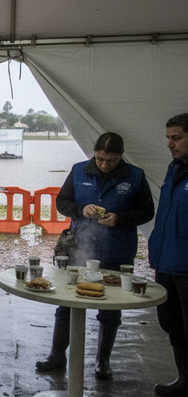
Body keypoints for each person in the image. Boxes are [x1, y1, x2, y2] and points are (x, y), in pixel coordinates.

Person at [37, 132, 154, 379]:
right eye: (100, 159)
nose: (104, 164)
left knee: (111, 308)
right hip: (79, 248)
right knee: (67, 303)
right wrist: (81, 209)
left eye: (110, 160)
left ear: (120, 157)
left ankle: (103, 361)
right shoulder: (79, 171)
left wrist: (120, 219)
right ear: (94, 153)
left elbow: (146, 212)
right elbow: (62, 202)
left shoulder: (135, 176)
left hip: (116, 252)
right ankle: (57, 355)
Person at [149, 113, 188, 397]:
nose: (169, 144)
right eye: (168, 138)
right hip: (166, 262)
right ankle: (184, 380)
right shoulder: (174, 169)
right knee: (173, 325)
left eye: (176, 138)